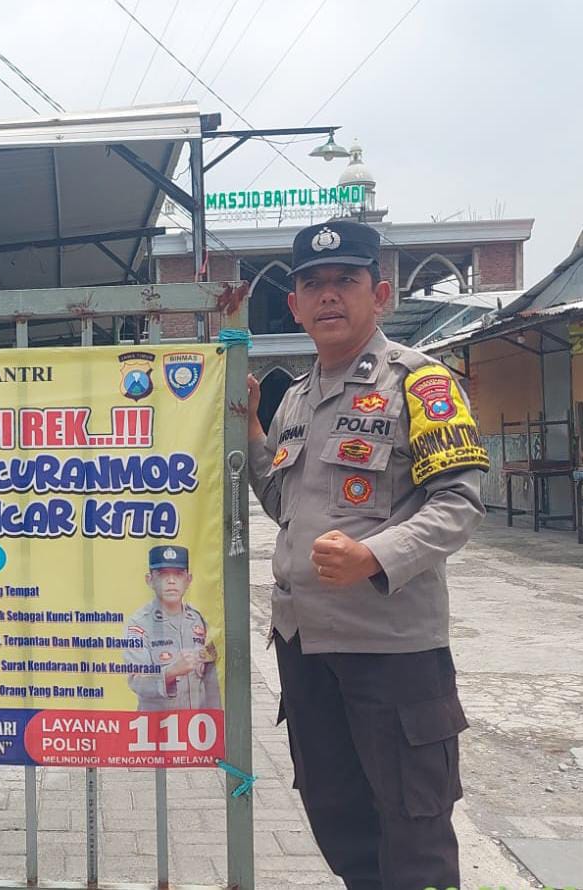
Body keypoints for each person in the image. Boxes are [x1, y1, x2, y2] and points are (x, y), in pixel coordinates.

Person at [247, 220, 488, 890]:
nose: (328, 297)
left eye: (344, 281)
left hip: (391, 653)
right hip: (305, 648)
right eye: (312, 285)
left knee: (413, 828)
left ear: (377, 293)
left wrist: (373, 555)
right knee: (336, 815)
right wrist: (251, 435)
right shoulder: (295, 396)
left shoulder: (420, 382)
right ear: (293, 305)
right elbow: (283, 502)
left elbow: (458, 501)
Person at [124, 545, 221, 711]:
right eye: (162, 574)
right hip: (157, 727)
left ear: (188, 580)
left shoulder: (198, 620)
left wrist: (216, 719)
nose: (171, 581)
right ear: (150, 580)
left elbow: (211, 679)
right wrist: (171, 672)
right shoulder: (139, 624)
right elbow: (137, 681)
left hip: (195, 726)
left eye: (178, 574)